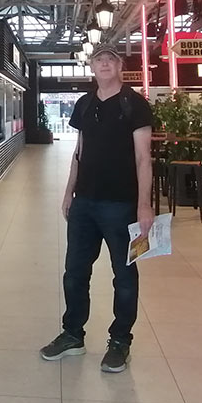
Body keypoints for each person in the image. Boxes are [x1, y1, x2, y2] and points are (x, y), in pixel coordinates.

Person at [41, 44, 154, 374]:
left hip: (121, 204)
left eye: (110, 59)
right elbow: (79, 152)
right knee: (75, 272)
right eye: (99, 59)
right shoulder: (84, 104)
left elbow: (143, 158)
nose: (104, 63)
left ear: (120, 66)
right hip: (84, 204)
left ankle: (120, 341)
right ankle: (73, 334)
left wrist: (144, 205)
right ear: (91, 67)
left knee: (124, 275)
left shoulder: (135, 104)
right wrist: (68, 192)